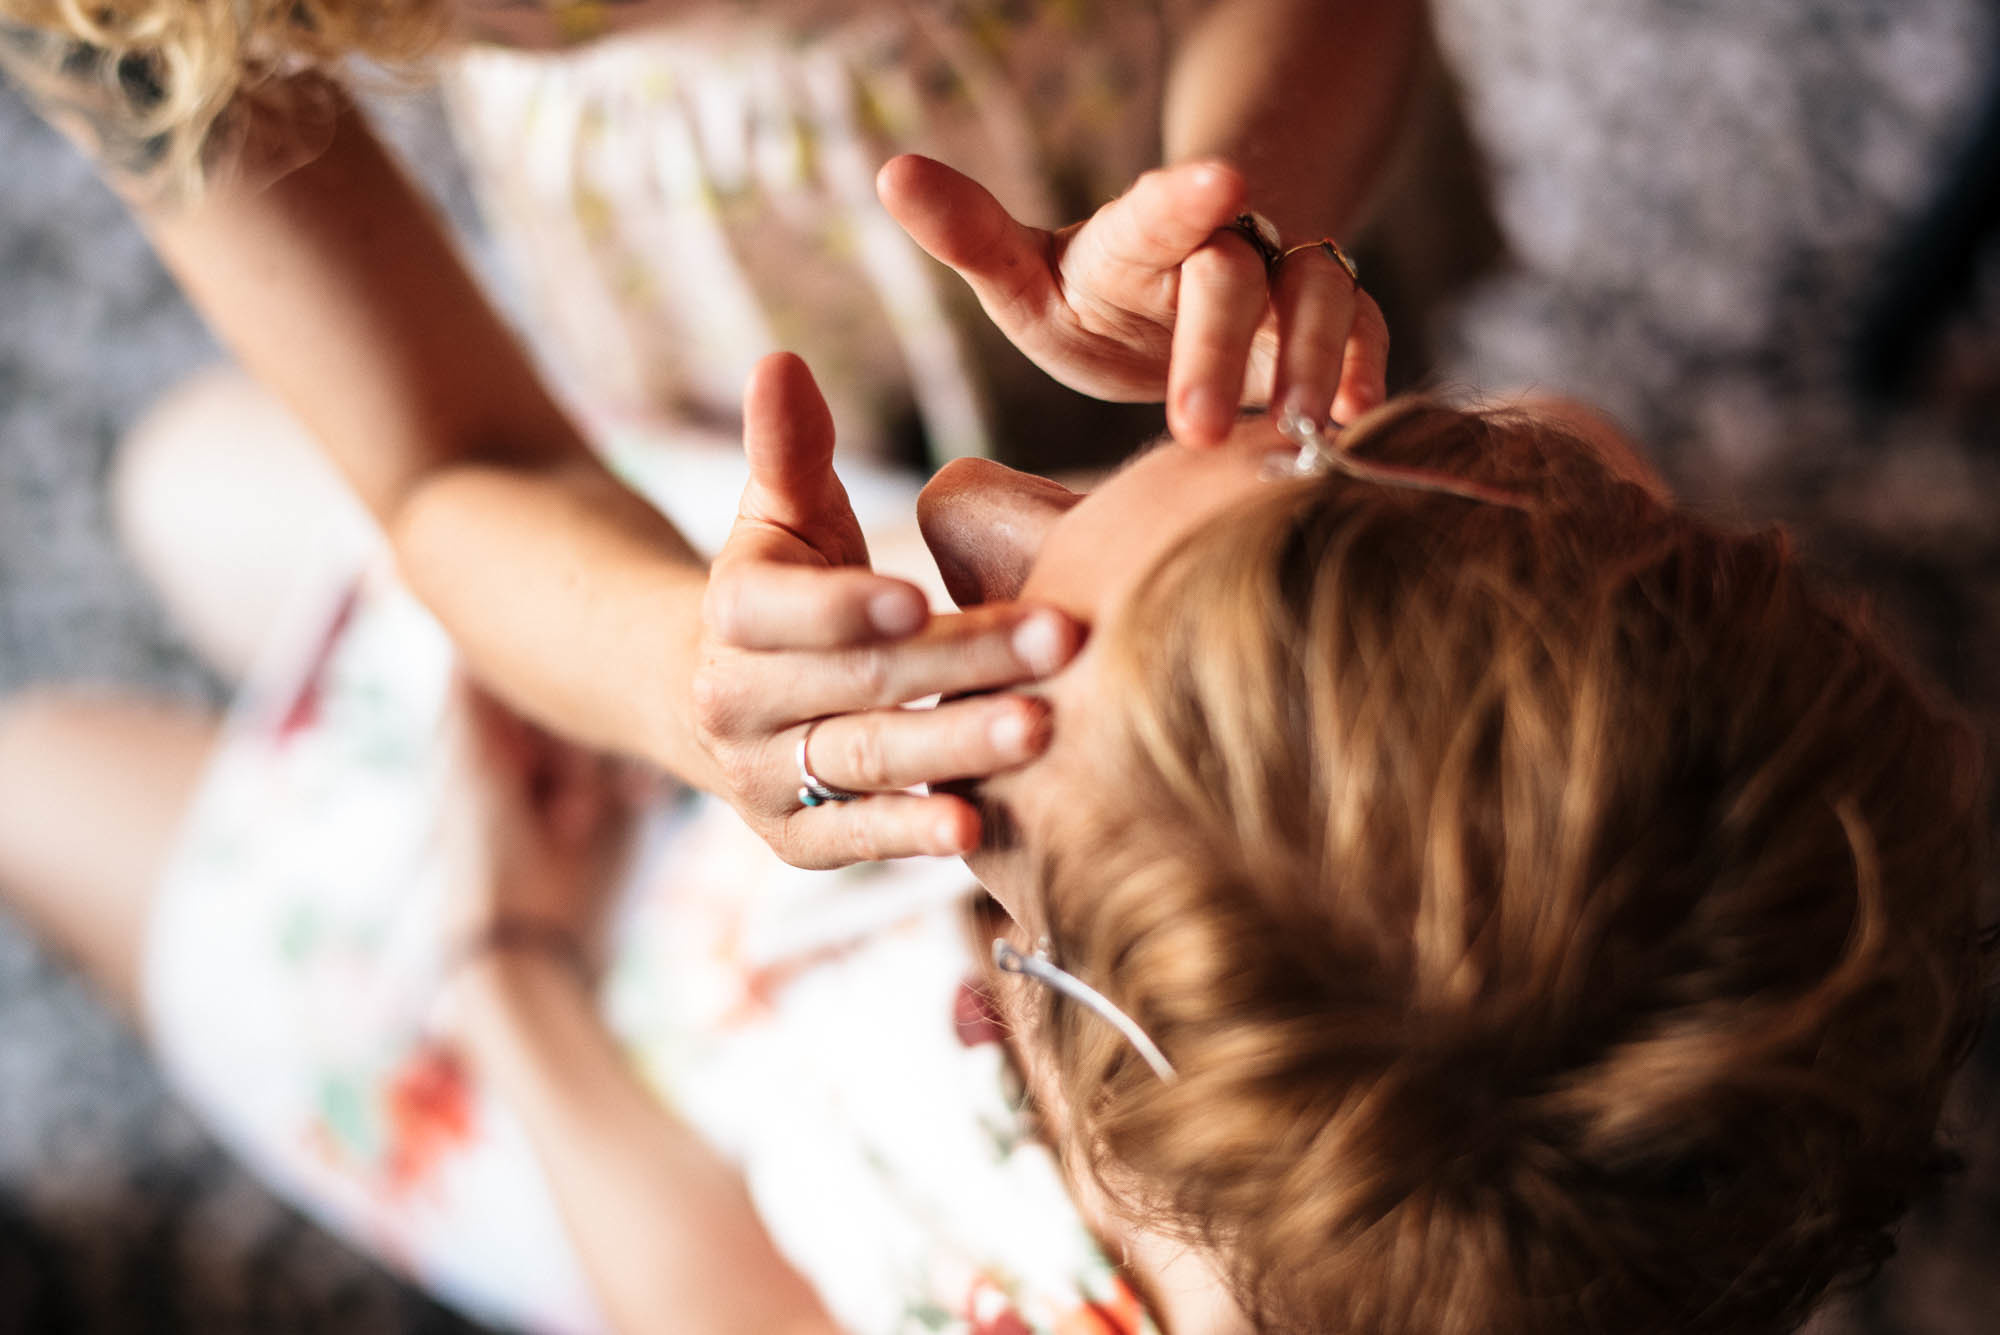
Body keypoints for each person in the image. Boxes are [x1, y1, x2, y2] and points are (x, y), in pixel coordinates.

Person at [0, 326, 1985, 1333]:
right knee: (193, 470)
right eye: (1300, 472)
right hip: (738, 717)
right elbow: (1565, 450)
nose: (954, 510)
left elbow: (706, 1297)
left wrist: (506, 958)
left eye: (1006, 711)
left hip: (569, 1038)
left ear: (1022, 1024)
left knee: (31, 772)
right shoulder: (1628, 681)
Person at [0, 0, 1406, 875]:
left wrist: (1246, 199)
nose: (966, 519)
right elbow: (448, 460)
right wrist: (685, 678)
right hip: (687, 250)